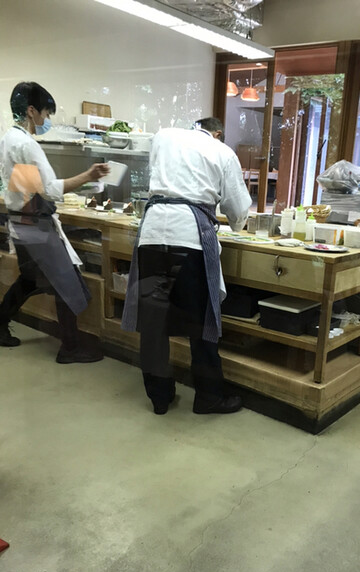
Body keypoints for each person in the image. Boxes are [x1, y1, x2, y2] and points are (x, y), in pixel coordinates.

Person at [122, 117, 251, 415]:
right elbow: (238, 210)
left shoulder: (164, 136)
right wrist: (237, 224)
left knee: (154, 322)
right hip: (189, 237)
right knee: (201, 323)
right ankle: (209, 396)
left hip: (152, 234)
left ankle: (159, 397)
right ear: (217, 133)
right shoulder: (222, 151)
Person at [0, 81, 109, 362]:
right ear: (31, 110)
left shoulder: (9, 139)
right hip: (35, 225)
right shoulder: (27, 144)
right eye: (46, 113)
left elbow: (26, 184)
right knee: (66, 283)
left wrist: (77, 186)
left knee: (29, 279)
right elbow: (49, 189)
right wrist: (88, 176)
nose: (46, 119)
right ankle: (70, 348)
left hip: (21, 221)